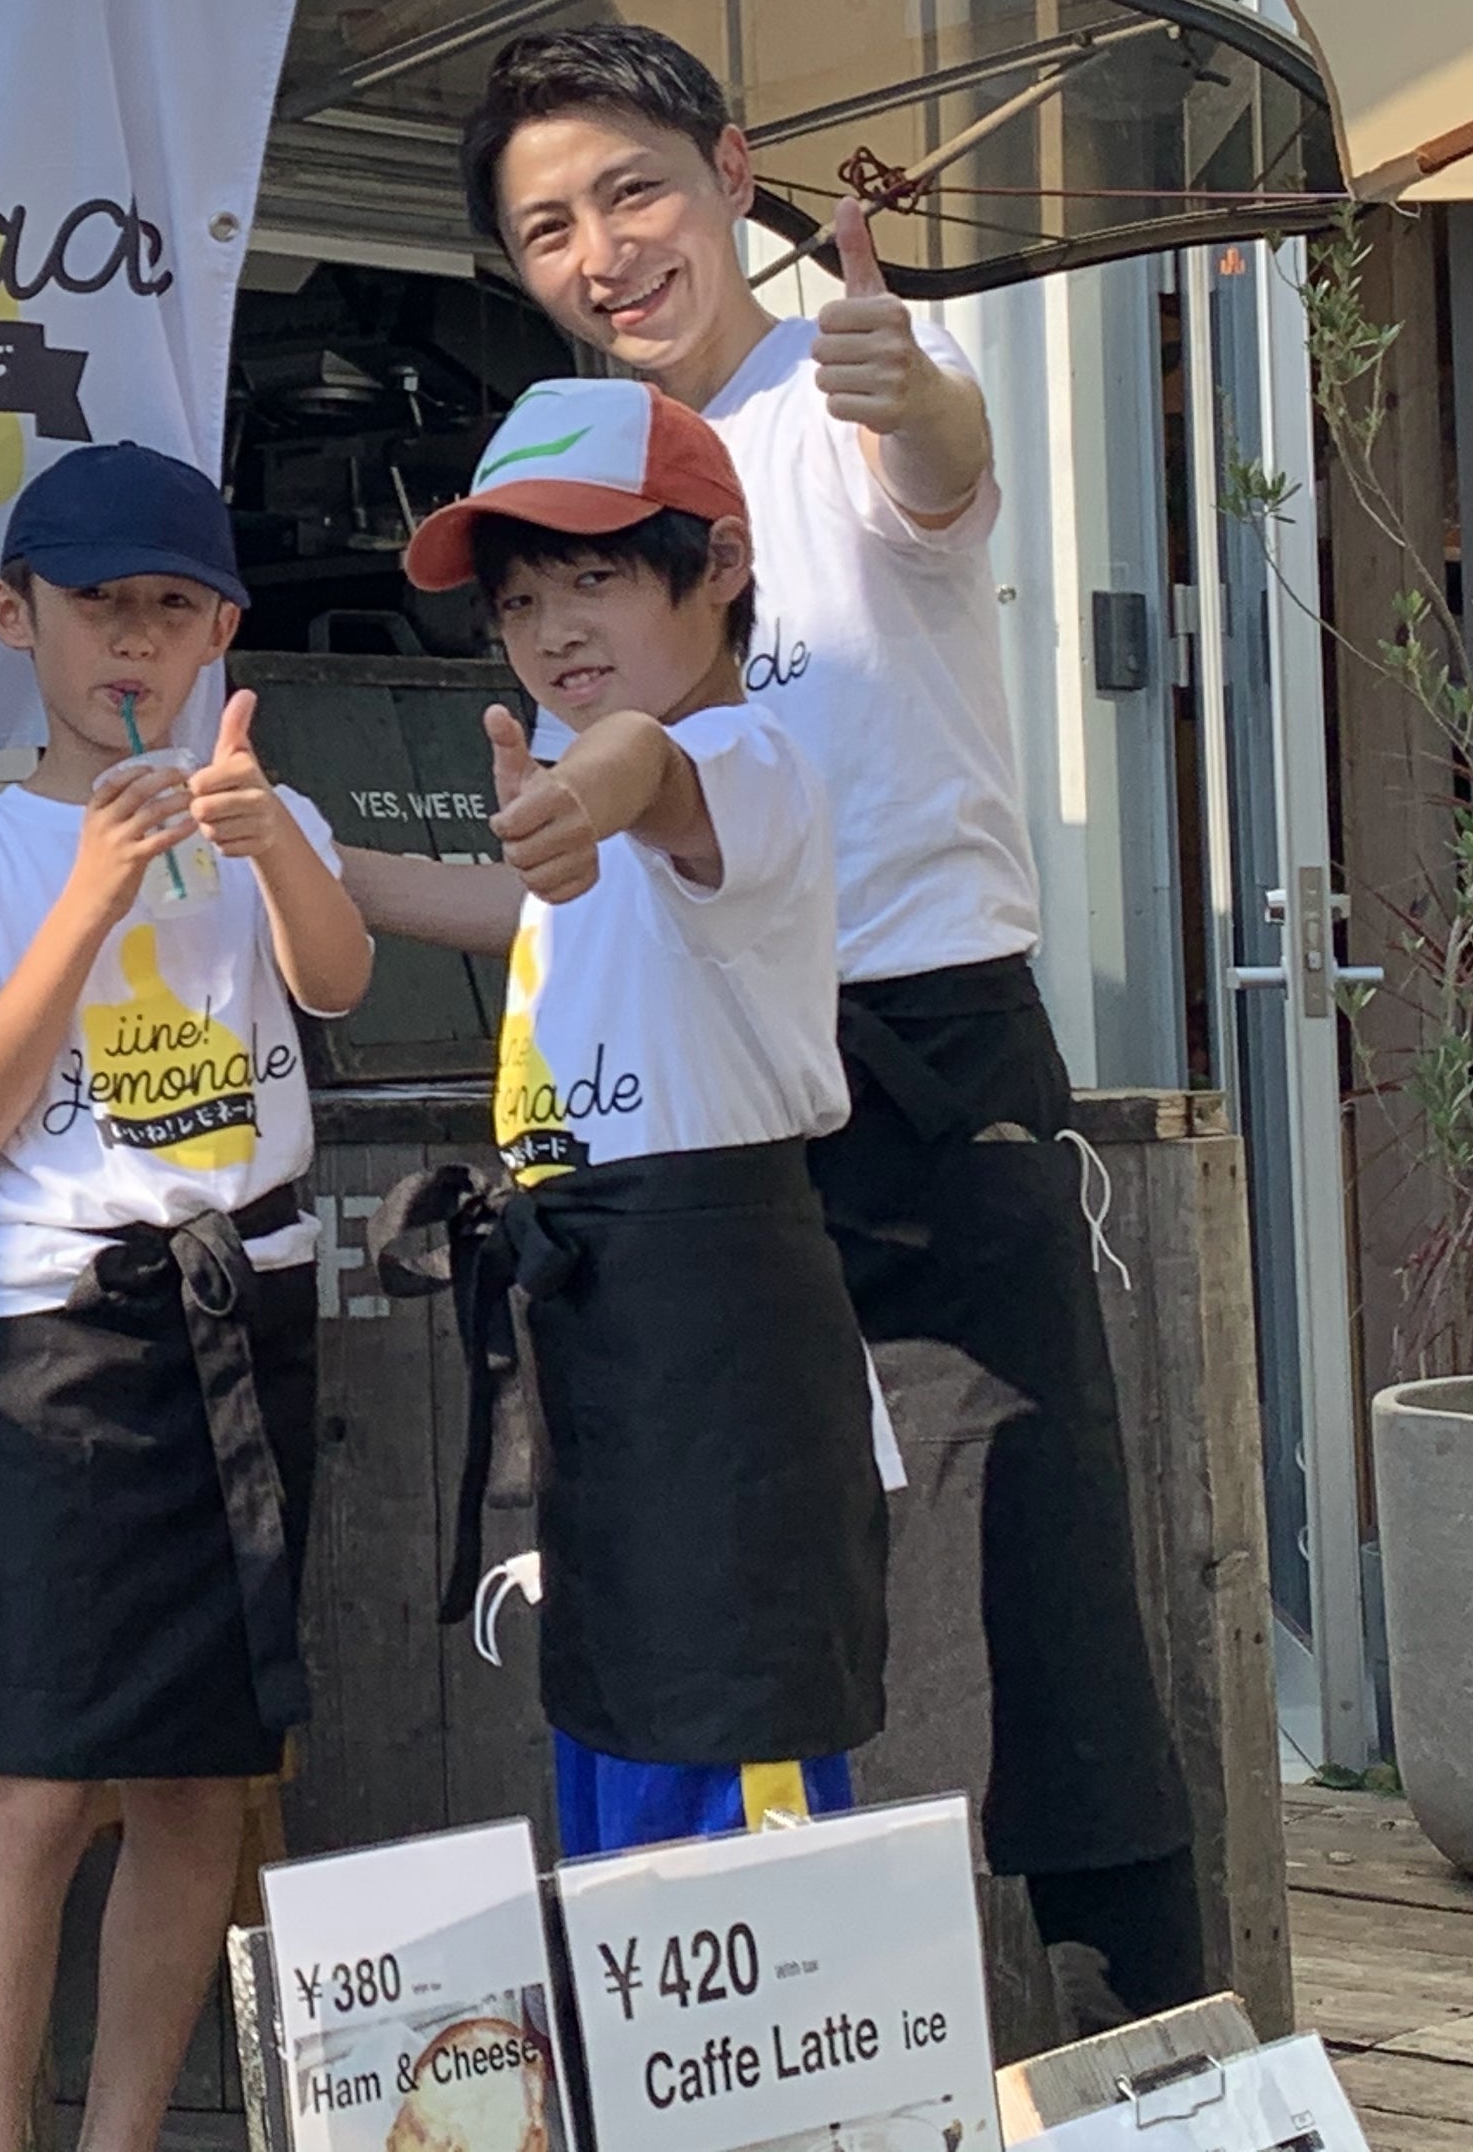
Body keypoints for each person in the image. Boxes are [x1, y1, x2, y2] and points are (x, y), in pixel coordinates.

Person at [344, 25, 1203, 2014]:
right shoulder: (586, 486)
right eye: (547, 229)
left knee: (1039, 1587)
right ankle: (783, 2058)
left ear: (734, 175)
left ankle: (1149, 2051)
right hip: (709, 1122)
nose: (603, 252)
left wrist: (919, 391)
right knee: (728, 1618)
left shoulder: (841, 394)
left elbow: (942, 473)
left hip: (931, 1064)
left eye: (634, 190)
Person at [0, 442, 375, 2152]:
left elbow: (338, 979)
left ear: (224, 629)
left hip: (248, 1305)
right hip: (60, 1336)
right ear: (14, 615)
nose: (136, 642)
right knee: (26, 1779)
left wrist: (272, 841)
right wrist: (92, 893)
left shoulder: (266, 812)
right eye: (100, 605)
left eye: (174, 607)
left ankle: (127, 2134)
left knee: (199, 1778)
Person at [379, 376, 895, 1858]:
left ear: (720, 564)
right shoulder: (583, 828)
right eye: (520, 599)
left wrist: (582, 791)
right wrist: (295, 852)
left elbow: (649, 773)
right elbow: (509, 896)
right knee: (616, 1770)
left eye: (595, 578)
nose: (554, 630)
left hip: (729, 1355)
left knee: (739, 1795)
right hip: (599, 1342)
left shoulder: (745, 762)